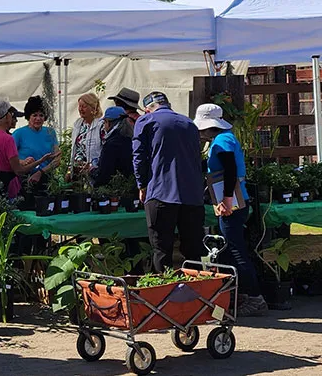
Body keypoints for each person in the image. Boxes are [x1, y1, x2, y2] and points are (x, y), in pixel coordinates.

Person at [195, 103, 273, 316]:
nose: (199, 133)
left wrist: (227, 198)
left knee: (236, 250)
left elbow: (229, 168)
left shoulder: (222, 140)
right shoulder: (222, 139)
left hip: (232, 203)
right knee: (230, 249)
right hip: (232, 201)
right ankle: (243, 295)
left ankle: (255, 298)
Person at [132, 91, 206, 272]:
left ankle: (163, 296)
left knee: (161, 250)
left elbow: (138, 157)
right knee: (193, 252)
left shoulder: (146, 121)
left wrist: (141, 185)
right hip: (192, 195)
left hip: (161, 192)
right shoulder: (189, 123)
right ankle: (197, 293)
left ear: (147, 109)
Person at [12, 95, 59, 191]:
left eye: (41, 115)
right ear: (29, 116)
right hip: (25, 179)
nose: (38, 118)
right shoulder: (19, 133)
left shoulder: (50, 132)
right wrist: (23, 162)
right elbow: (10, 158)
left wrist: (41, 172)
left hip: (47, 179)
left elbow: (57, 159)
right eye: (34, 115)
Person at [91, 104, 139, 187]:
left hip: (115, 190)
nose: (104, 127)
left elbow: (104, 174)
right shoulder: (132, 139)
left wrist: (92, 171)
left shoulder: (111, 144)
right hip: (132, 187)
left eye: (105, 122)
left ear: (109, 123)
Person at [69, 93, 103, 180]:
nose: (80, 109)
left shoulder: (100, 125)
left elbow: (104, 149)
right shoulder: (78, 124)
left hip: (93, 170)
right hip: (77, 170)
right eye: (79, 106)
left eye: (84, 106)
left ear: (93, 108)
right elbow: (74, 148)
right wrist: (70, 168)